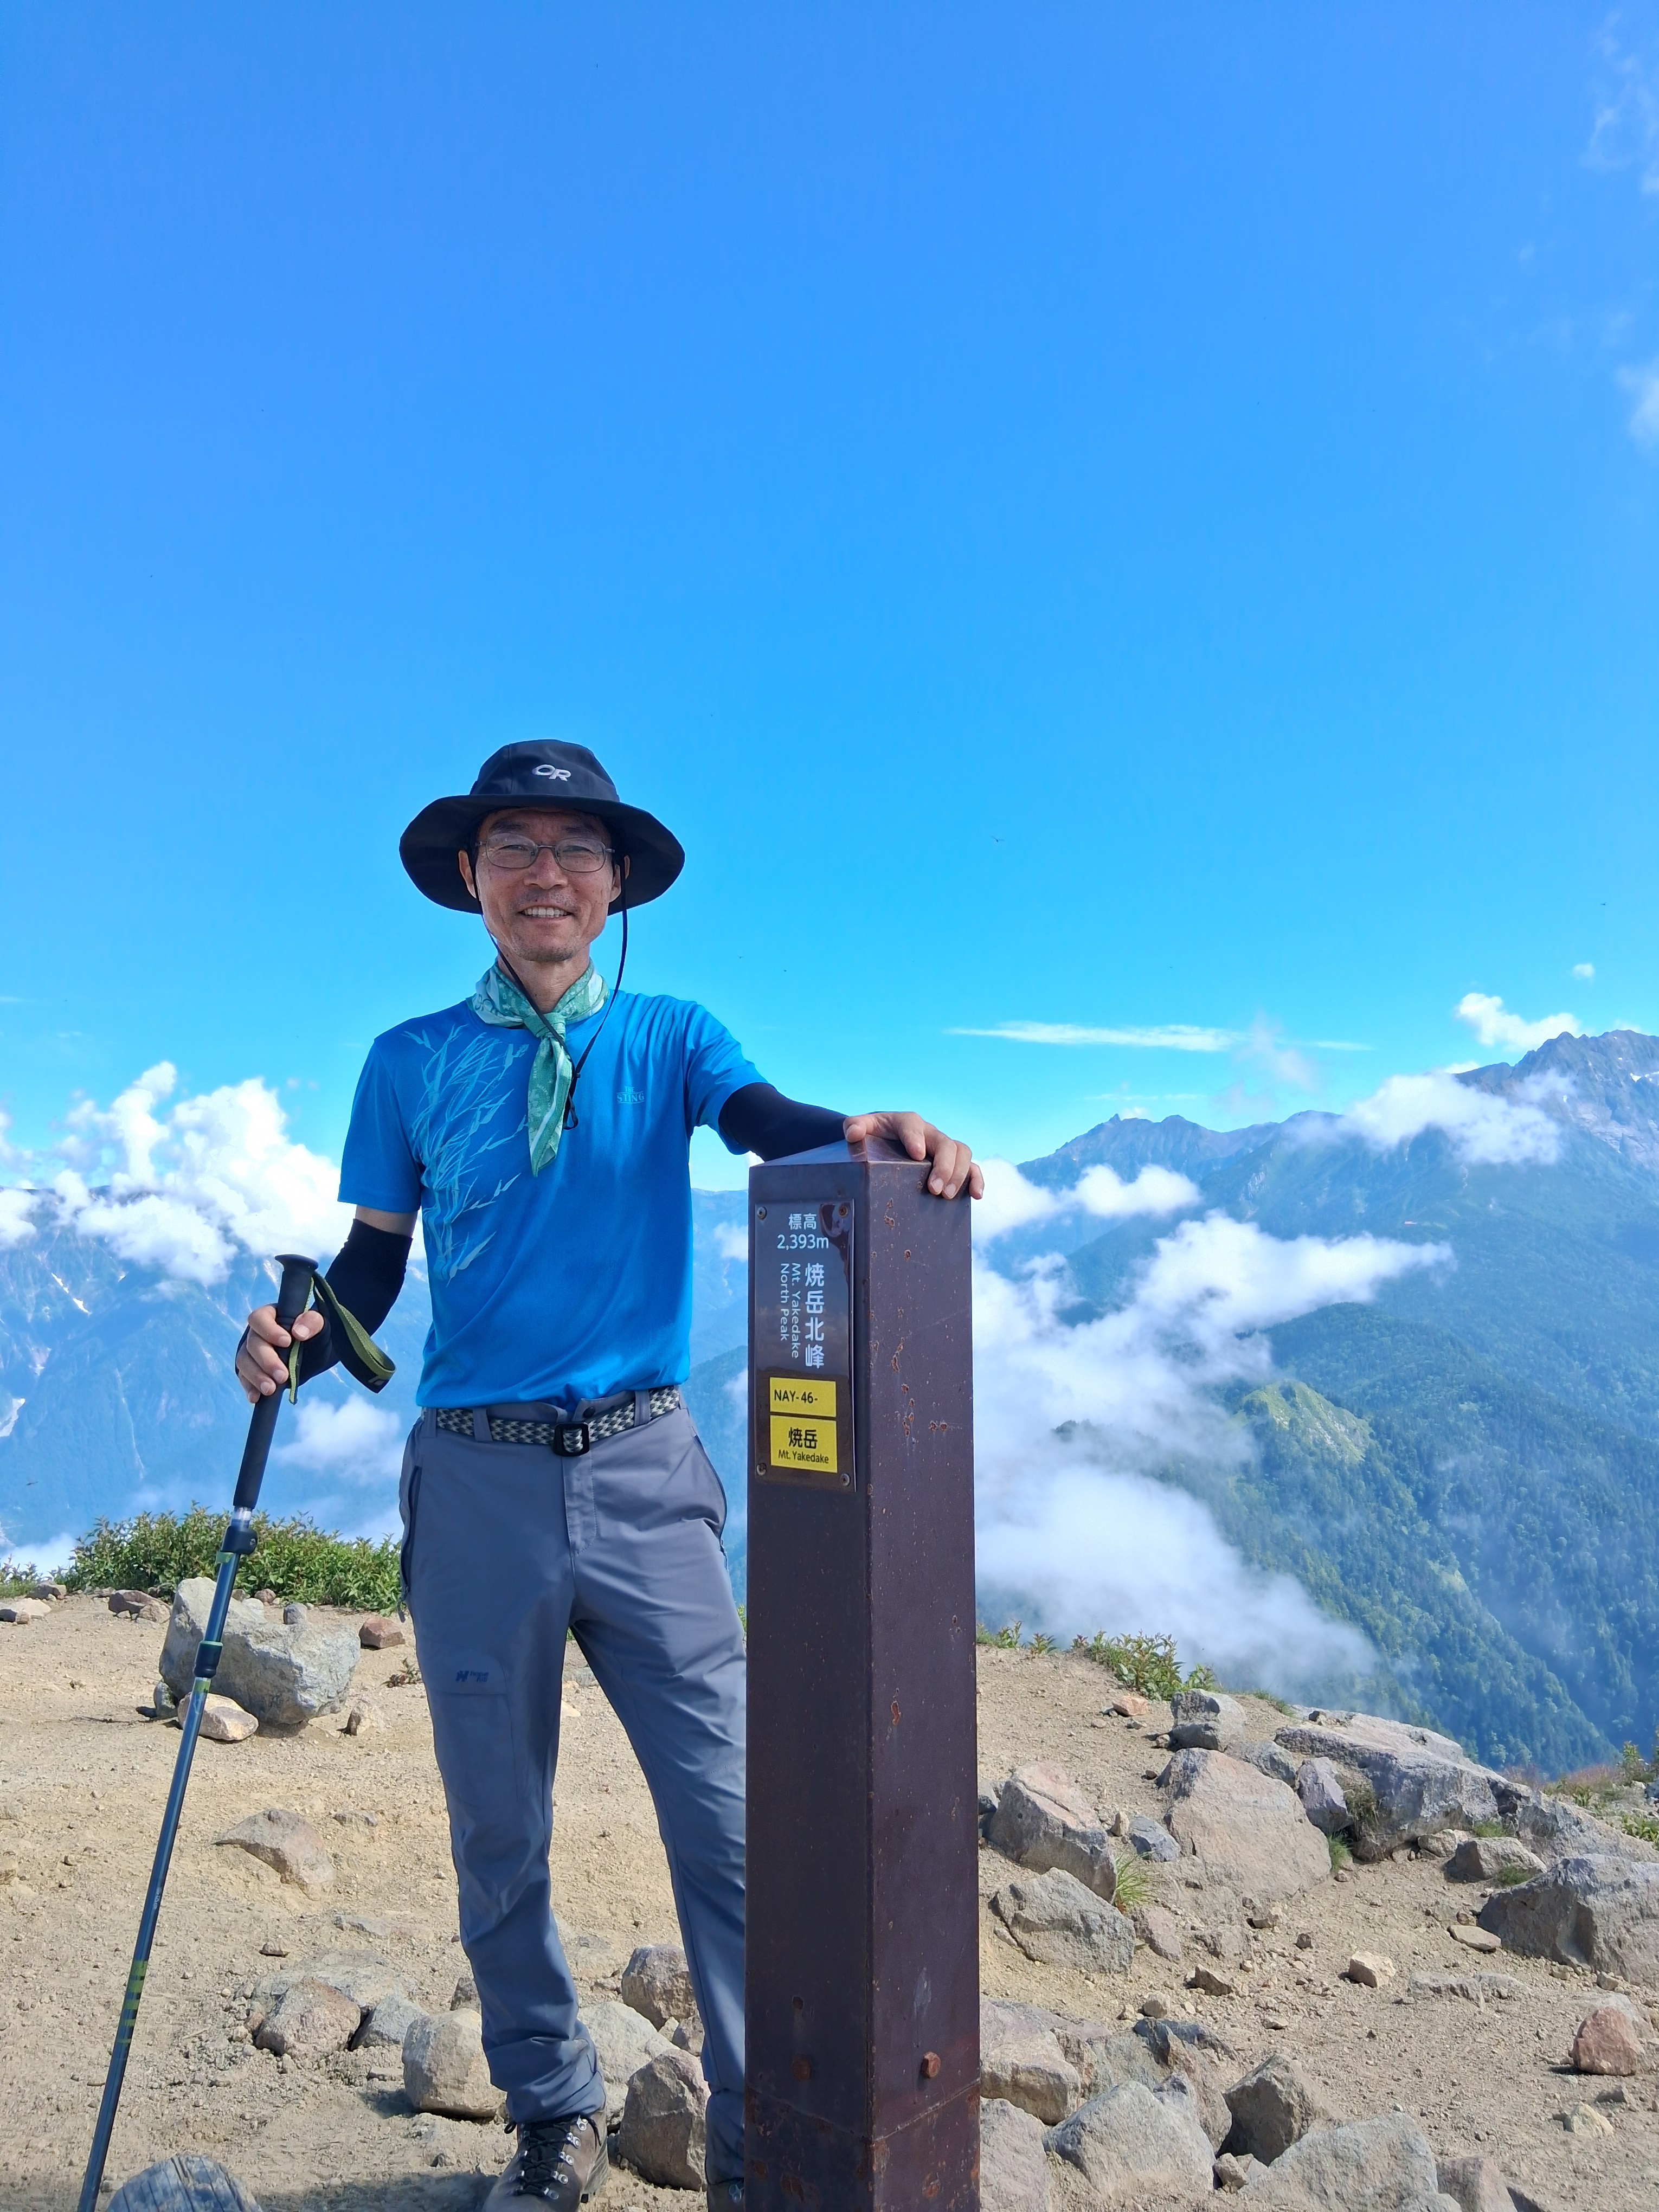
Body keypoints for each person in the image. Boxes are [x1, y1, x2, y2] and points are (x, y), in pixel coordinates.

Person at [235, 740, 980, 2211]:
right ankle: (549, 2110)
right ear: (470, 878)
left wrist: (850, 1131)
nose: (545, 875)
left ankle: (761, 2137)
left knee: (732, 1823)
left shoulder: (671, 1035)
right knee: (498, 1832)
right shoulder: (407, 1061)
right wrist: (297, 1342)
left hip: (644, 1468)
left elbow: (758, 1120)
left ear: (617, 882)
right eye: (512, 847)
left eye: (575, 848)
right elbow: (376, 1263)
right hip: (476, 1477)